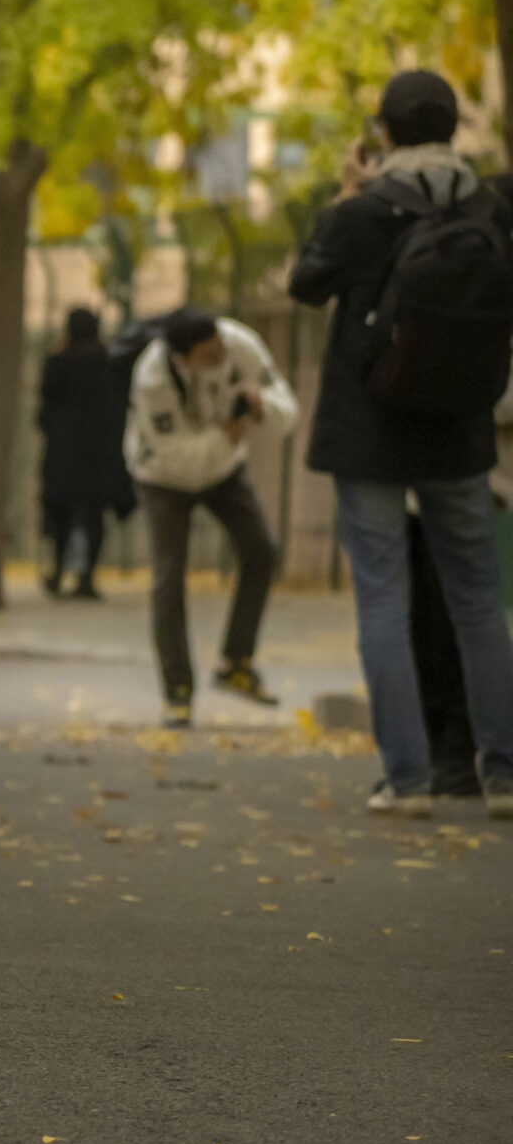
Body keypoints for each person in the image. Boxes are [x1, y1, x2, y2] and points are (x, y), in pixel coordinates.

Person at [289, 70, 513, 819]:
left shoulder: (369, 210)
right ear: (452, 128)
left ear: (382, 132)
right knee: (479, 598)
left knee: (382, 595)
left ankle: (408, 779)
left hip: (370, 430)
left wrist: (349, 194)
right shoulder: (491, 205)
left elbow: (306, 283)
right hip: (459, 425)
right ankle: (504, 772)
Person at [123, 306, 296, 727]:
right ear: (183, 358)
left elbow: (285, 406)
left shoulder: (240, 344)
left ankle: (236, 661)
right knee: (169, 576)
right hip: (162, 477)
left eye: (220, 344)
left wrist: (259, 408)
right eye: (209, 353)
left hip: (223, 468)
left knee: (261, 551)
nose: (221, 355)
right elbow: (177, 457)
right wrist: (225, 434)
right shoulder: (153, 380)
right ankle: (177, 689)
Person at [37, 307, 137, 599]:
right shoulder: (109, 362)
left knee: (62, 515)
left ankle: (57, 573)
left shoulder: (58, 361)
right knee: (93, 516)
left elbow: (44, 407)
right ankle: (86, 578)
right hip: (100, 454)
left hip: (64, 453)